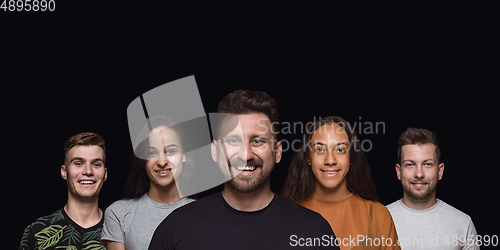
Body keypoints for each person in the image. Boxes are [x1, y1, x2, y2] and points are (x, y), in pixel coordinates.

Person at [148, 90, 338, 250]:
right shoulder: (176, 228)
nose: (246, 154)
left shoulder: (315, 231)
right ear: (214, 151)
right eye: (233, 141)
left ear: (277, 152)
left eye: (257, 141)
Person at [282, 116, 400, 250]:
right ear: (308, 157)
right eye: (320, 149)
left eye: (340, 150)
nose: (330, 160)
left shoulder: (378, 214)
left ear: (351, 158)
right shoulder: (287, 215)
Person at [101, 116, 195, 250]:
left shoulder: (204, 213)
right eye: (152, 152)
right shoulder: (119, 213)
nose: (162, 162)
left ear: (184, 155)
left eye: (171, 151)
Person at [386, 128, 479, 249]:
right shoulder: (377, 220)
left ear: (440, 171)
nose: (419, 174)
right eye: (410, 164)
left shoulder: (463, 224)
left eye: (427, 164)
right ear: (399, 171)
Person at [19, 132, 108, 250]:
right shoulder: (36, 231)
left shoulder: (121, 230)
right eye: (78, 163)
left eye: (96, 164)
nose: (88, 171)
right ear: (64, 172)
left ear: (105, 174)